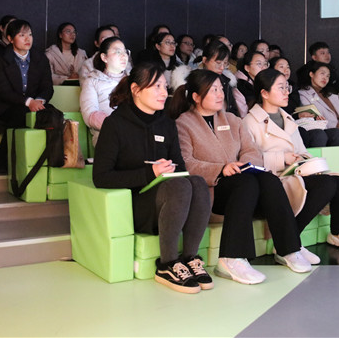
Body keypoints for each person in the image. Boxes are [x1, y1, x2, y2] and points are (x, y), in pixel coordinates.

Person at [171, 69, 316, 284]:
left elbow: (251, 150)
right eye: (213, 90)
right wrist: (222, 168)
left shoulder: (232, 119)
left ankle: (289, 249)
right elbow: (187, 163)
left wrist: (244, 164)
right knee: (245, 182)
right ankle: (231, 258)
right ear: (196, 97)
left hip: (243, 185)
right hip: (211, 192)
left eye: (221, 89)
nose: (220, 94)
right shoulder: (183, 123)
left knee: (269, 179)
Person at [93, 63, 213, 294]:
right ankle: (167, 264)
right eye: (156, 86)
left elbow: (181, 167)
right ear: (136, 90)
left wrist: (170, 170)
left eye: (165, 87)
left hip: (171, 203)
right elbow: (101, 177)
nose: (163, 92)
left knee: (197, 182)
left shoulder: (166, 124)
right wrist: (151, 173)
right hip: (135, 204)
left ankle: (190, 258)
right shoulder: (115, 124)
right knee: (179, 187)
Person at [243, 69, 339, 263]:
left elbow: (301, 149)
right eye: (281, 88)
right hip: (272, 180)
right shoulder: (249, 121)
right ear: (264, 93)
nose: (287, 92)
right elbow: (248, 159)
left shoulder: (288, 118)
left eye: (287, 87)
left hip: (295, 172)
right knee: (327, 184)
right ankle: (289, 241)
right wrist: (282, 158)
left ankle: (337, 233)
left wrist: (303, 158)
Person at [0, 19, 54, 172]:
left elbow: (48, 87)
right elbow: (4, 91)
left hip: (35, 104)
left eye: (30, 34)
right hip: (6, 106)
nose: (27, 39)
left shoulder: (40, 58)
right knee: (20, 115)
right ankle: (6, 164)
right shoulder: (1, 58)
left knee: (54, 115)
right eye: (22, 35)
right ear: (10, 39)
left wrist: (39, 100)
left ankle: (50, 160)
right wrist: (29, 102)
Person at [271, 56, 339, 147]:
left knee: (336, 133)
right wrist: (298, 115)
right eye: (281, 67)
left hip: (299, 123)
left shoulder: (293, 89)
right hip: (284, 125)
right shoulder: (271, 89)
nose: (286, 70)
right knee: (318, 135)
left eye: (288, 67)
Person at [79, 37, 130, 146]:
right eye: (118, 52)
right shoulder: (92, 81)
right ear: (104, 57)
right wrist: (116, 126)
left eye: (125, 52)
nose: (124, 56)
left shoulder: (134, 82)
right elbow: (89, 114)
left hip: (134, 134)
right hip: (107, 135)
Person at [171, 40, 239, 117]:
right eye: (218, 63)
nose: (222, 67)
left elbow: (233, 109)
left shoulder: (226, 81)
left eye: (225, 63)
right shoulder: (193, 80)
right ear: (204, 60)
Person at [235, 51, 268, 115]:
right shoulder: (240, 86)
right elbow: (243, 115)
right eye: (259, 64)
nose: (263, 67)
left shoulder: (265, 82)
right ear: (247, 68)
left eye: (265, 64)